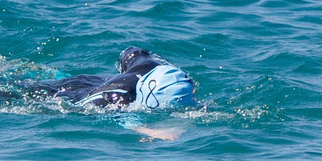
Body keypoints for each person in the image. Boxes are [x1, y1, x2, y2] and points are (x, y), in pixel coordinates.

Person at [11, 47, 197, 111]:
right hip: (78, 91)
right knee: (14, 89)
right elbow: (77, 109)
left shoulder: (150, 64)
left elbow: (131, 51)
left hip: (103, 78)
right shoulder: (114, 97)